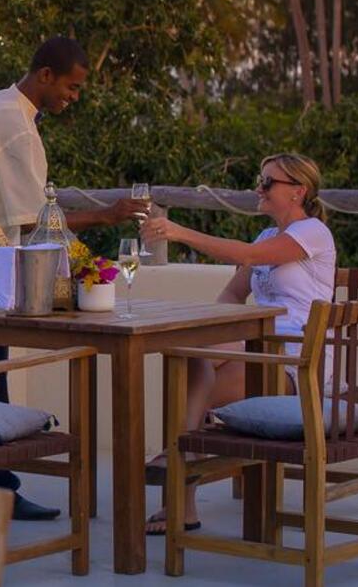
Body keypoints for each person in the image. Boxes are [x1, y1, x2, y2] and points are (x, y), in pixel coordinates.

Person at [0, 36, 146, 521]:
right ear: (45, 75)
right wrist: (107, 216)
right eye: (72, 86)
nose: (74, 97)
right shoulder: (15, 127)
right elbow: (37, 220)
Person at [139, 152, 336, 534]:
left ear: (298, 191)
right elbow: (232, 295)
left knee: (191, 369)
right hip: (259, 352)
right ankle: (185, 483)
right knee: (191, 362)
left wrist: (179, 233)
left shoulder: (312, 233)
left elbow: (247, 256)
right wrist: (210, 332)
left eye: (267, 183)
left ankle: (177, 481)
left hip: (297, 363)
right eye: (259, 180)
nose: (257, 189)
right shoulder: (266, 235)